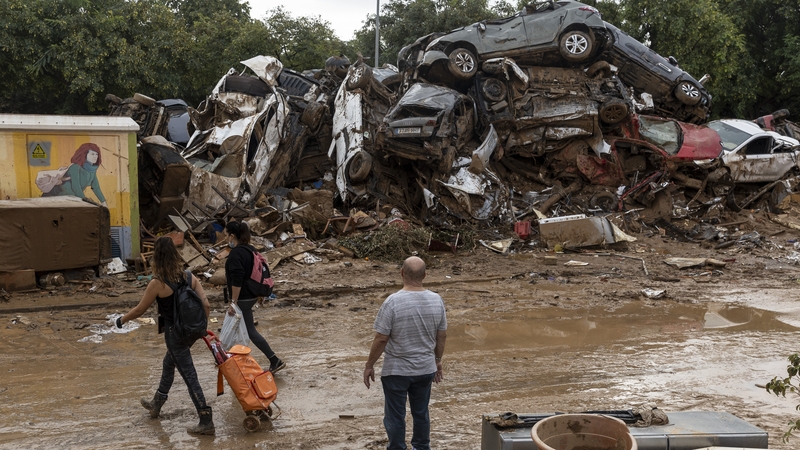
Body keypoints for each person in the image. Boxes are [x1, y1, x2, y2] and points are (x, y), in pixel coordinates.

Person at [113, 236, 215, 435]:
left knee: (189, 375)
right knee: (169, 363)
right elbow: (207, 304)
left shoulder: (157, 283)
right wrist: (201, 328)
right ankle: (156, 403)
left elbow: (140, 310)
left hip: (174, 334)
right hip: (191, 331)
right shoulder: (189, 276)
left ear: (157, 257)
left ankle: (206, 419)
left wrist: (121, 320)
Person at [363, 256, 447, 450]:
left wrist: (369, 365)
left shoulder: (392, 302)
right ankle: (421, 447)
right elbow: (441, 335)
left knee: (395, 415)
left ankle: (397, 447)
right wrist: (438, 360)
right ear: (425, 275)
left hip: (396, 371)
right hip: (425, 368)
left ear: (401, 273)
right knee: (421, 412)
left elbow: (381, 338)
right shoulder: (437, 300)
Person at [224, 220, 286, 373]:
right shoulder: (250, 250)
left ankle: (273, 360)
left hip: (242, 298)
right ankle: (236, 364)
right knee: (240, 330)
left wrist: (233, 302)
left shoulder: (236, 254)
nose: (226, 238)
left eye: (226, 235)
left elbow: (237, 280)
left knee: (248, 331)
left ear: (232, 236)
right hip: (251, 295)